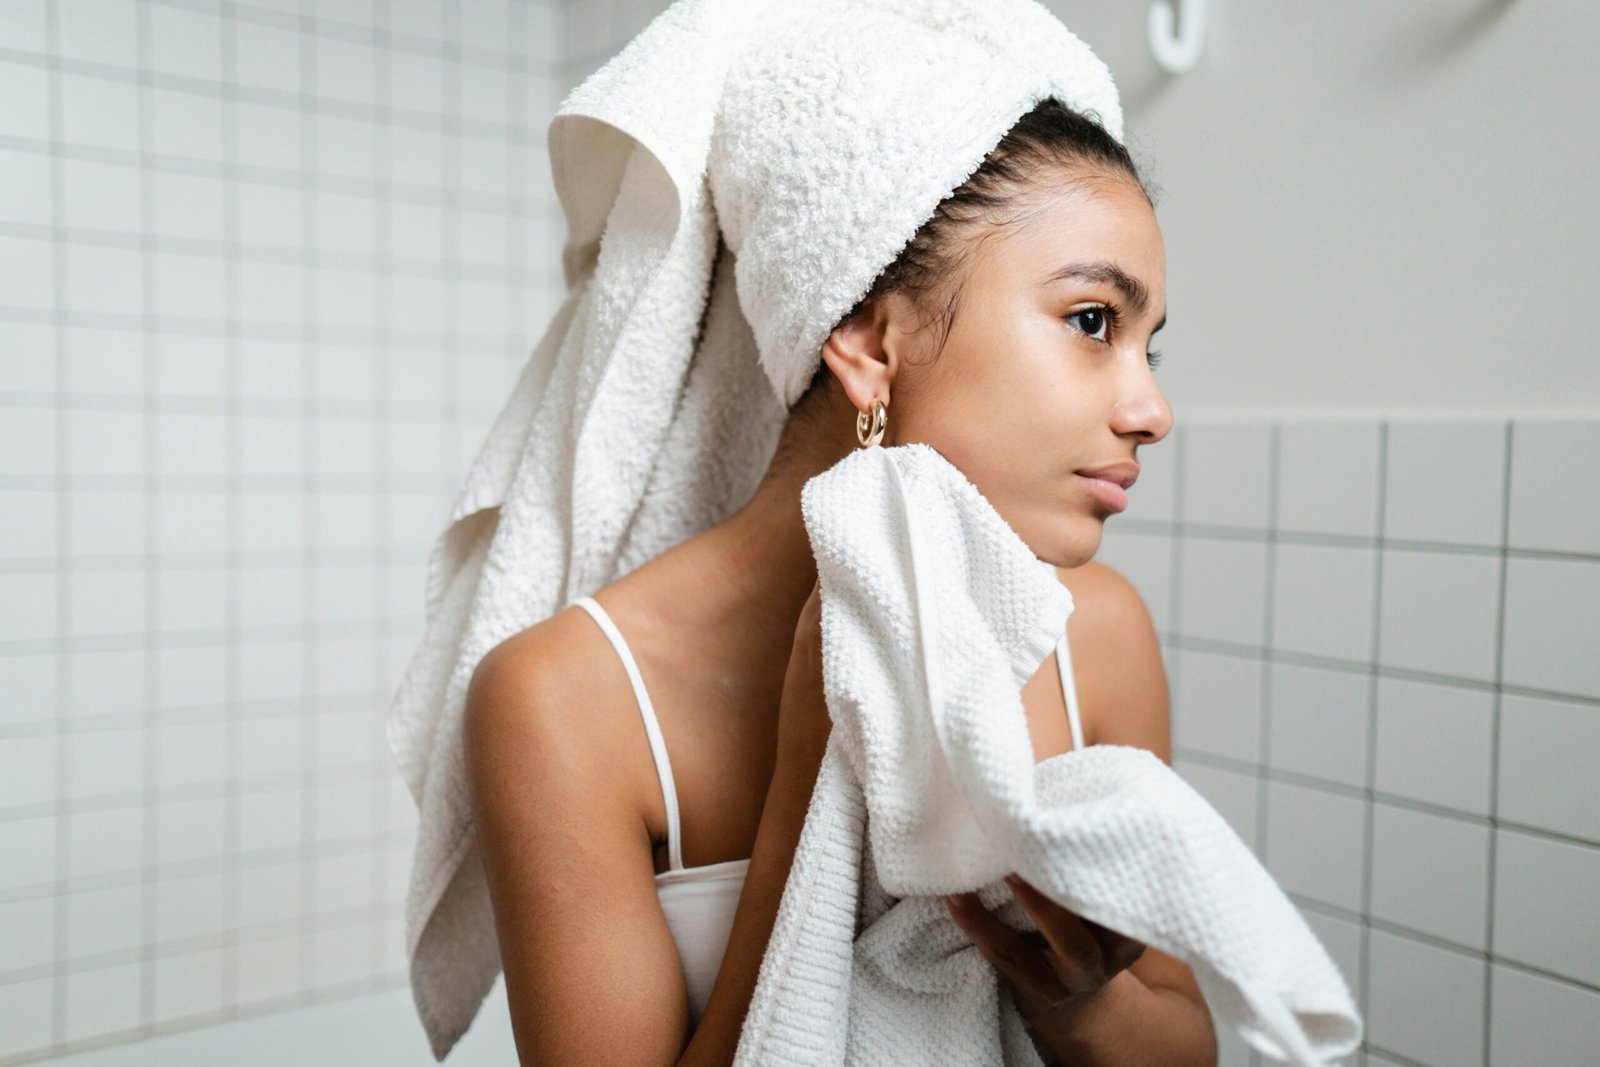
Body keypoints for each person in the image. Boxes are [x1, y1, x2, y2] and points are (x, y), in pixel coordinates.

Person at [461, 97, 1216, 1066]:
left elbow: (1187, 1047)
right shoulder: (566, 697)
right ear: (869, 344)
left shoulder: (1098, 632)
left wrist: (1080, 1001)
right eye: (1089, 319)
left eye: (1144, 344)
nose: (1150, 408)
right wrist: (809, 779)